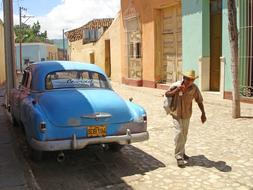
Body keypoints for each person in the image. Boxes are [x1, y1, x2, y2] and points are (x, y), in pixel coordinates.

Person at [165, 70, 207, 168]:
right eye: (187, 79)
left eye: (191, 79)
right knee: (179, 133)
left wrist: (203, 113)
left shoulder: (194, 89)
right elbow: (167, 94)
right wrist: (177, 90)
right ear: (184, 78)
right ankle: (179, 156)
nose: (189, 81)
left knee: (184, 134)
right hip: (176, 113)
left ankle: (182, 152)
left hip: (187, 114)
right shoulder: (177, 86)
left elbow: (199, 101)